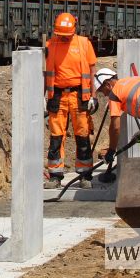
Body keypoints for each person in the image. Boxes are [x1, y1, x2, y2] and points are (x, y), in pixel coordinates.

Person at [43, 13, 97, 189]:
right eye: (61, 35)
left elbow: (91, 70)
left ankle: (85, 175)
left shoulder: (84, 43)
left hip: (79, 95)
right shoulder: (50, 44)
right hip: (57, 95)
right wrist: (42, 96)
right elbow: (46, 73)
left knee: (82, 134)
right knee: (56, 136)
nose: (64, 38)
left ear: (74, 30)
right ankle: (55, 175)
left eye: (67, 35)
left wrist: (93, 96)